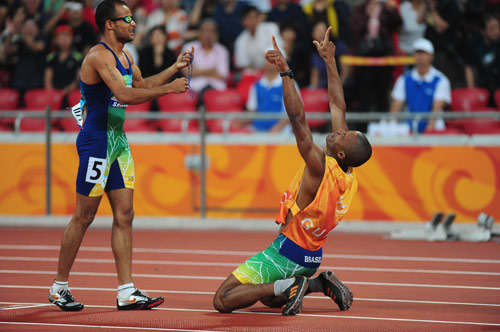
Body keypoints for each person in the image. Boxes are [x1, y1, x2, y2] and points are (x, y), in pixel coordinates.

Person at [213, 27, 372, 316]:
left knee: (224, 300)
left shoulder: (319, 165)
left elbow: (298, 120)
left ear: (340, 153)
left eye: (342, 136)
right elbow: (337, 103)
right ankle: (315, 284)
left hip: (285, 251)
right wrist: (329, 61)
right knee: (268, 297)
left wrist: (286, 73)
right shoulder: (345, 174)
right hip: (311, 256)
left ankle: (293, 286)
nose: (338, 132)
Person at [48, 0, 192, 311]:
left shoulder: (126, 57)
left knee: (125, 215)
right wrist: (169, 90)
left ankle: (126, 291)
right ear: (109, 24)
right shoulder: (99, 56)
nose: (133, 24)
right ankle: (59, 287)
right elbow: (125, 95)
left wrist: (172, 70)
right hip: (97, 141)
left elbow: (141, 84)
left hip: (118, 143)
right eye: (126, 19)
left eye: (133, 18)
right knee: (84, 216)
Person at [389, 38, 451, 133]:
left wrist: (427, 134)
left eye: (424, 53)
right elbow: (395, 110)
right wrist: (391, 129)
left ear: (431, 56)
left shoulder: (441, 80)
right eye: (417, 53)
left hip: (435, 131)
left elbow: (436, 111)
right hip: (409, 128)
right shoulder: (403, 79)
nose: (420, 56)